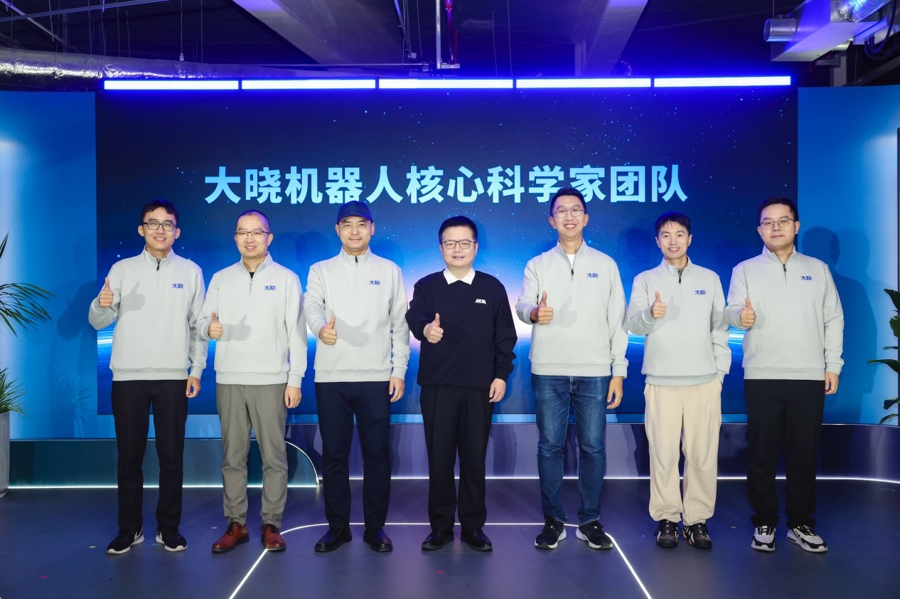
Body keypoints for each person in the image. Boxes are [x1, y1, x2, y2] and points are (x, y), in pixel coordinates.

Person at [726, 196, 843, 553]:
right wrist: (739, 317)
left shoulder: (818, 269)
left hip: (809, 374)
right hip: (762, 373)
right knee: (761, 452)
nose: (775, 227)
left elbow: (833, 318)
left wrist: (832, 365)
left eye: (783, 221)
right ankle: (764, 520)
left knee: (803, 453)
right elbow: (731, 310)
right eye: (768, 222)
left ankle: (800, 523)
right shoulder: (745, 269)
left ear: (796, 226)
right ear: (759, 229)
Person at [89, 199, 206, 555]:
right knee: (129, 458)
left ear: (177, 232)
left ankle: (168, 528)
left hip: (173, 377)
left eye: (167, 224)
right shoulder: (122, 269)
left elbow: (198, 325)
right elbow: (98, 321)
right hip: (128, 377)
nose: (160, 229)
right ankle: (130, 528)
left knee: (172, 457)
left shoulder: (191, 271)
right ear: (141, 229)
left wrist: (196, 370)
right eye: (152, 223)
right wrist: (102, 303)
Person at [515, 187, 626, 551]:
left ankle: (590, 520)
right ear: (552, 220)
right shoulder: (537, 264)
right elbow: (523, 305)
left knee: (593, 447)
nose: (569, 216)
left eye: (575, 210)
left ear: (586, 218)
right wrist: (534, 313)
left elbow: (617, 321)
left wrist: (618, 371)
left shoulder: (606, 265)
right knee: (550, 446)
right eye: (561, 211)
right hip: (549, 369)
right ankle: (553, 520)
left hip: (595, 370)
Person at [303, 201, 410, 553]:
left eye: (361, 224)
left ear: (372, 228)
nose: (354, 231)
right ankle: (338, 528)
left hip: (376, 376)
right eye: (347, 224)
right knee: (334, 456)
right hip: (331, 376)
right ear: (337, 230)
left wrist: (398, 370)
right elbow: (311, 305)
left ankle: (375, 528)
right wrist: (320, 328)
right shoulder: (321, 269)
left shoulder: (390, 270)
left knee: (376, 455)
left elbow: (399, 325)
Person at [406, 216, 517, 553]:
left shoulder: (492, 287)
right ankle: (439, 527)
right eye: (450, 243)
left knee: (473, 460)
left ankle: (473, 527)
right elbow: (415, 317)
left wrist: (500, 375)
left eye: (464, 242)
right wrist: (426, 330)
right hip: (438, 388)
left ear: (475, 247)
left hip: (480, 388)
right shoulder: (426, 286)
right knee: (439, 461)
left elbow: (505, 337)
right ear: (441, 247)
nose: (457, 249)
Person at [199, 210, 307, 554]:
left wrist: (294, 379)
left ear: (268, 237)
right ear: (235, 238)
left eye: (256, 232)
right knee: (233, 457)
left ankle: (271, 523)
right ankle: (236, 523)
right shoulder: (221, 279)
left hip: (272, 380)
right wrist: (208, 328)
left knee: (274, 456)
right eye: (242, 232)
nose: (249, 238)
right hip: (230, 379)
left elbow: (296, 333)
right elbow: (201, 321)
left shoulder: (287, 278)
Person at [625, 212, 730, 549]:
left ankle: (697, 520)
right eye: (666, 235)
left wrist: (719, 374)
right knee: (664, 454)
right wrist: (649, 314)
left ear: (690, 239)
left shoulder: (709, 278)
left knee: (702, 456)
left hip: (704, 382)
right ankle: (667, 518)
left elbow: (720, 329)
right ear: (657, 241)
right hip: (661, 381)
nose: (673, 240)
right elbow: (632, 325)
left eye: (680, 234)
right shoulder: (645, 280)